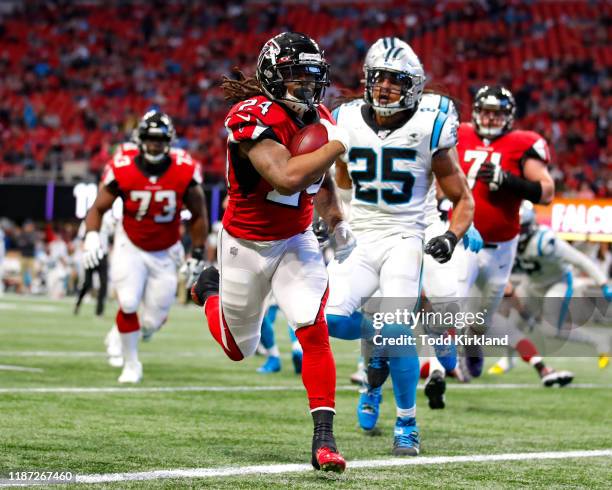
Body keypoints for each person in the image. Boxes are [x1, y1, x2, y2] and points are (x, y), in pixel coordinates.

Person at [191, 32, 354, 472]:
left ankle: (324, 440)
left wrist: (336, 219)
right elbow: (284, 176)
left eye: (311, 75)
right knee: (237, 349)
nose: (305, 84)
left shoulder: (319, 118)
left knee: (311, 327)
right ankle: (208, 289)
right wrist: (339, 143)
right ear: (271, 76)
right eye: (294, 75)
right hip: (244, 243)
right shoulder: (250, 116)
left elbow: (319, 180)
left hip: (295, 241)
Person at [325, 37, 474, 455]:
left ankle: (406, 420)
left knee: (398, 325)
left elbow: (462, 198)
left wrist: (451, 234)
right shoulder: (345, 118)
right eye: (378, 78)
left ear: (414, 86)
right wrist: (333, 219)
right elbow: (338, 179)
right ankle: (376, 351)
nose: (385, 87)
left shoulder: (431, 123)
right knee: (331, 320)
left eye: (396, 80)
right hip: (362, 233)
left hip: (406, 236)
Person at [83, 110, 208, 383]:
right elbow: (99, 207)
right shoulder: (123, 165)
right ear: (140, 140)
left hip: (166, 249)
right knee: (127, 303)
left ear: (170, 142)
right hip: (131, 242)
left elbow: (199, 214)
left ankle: (124, 334)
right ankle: (131, 364)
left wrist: (198, 252)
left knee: (152, 321)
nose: (155, 145)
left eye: (160, 140)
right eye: (150, 139)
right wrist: (91, 234)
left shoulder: (184, 168)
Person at [454, 85, 555, 378]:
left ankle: (472, 343)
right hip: (462, 238)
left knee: (483, 317)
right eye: (485, 111)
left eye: (497, 113)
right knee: (452, 299)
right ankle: (440, 364)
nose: (490, 118)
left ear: (509, 116)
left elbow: (546, 192)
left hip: (501, 246)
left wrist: (509, 181)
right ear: (475, 111)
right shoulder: (458, 132)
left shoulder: (523, 142)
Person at [488, 201, 612, 373]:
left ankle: (599, 341)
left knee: (551, 330)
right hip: (532, 283)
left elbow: (580, 260)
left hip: (558, 282)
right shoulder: (511, 239)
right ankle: (508, 360)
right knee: (513, 322)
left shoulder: (546, 241)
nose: (518, 231)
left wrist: (603, 283)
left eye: (521, 228)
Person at [74, 211, 116, 317]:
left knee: (104, 284)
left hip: (103, 255)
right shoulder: (86, 223)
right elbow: (82, 240)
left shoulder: (107, 222)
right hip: (91, 254)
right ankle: (78, 303)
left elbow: (112, 238)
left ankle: (99, 311)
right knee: (87, 283)